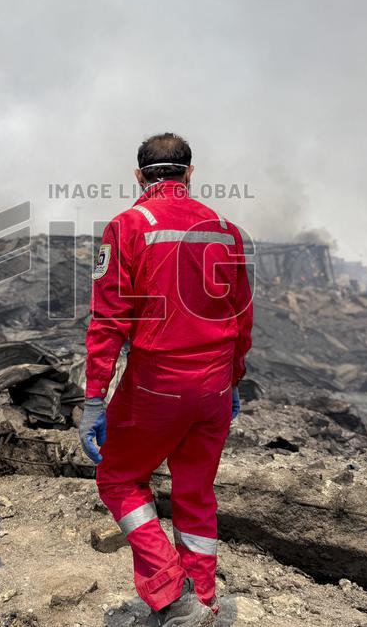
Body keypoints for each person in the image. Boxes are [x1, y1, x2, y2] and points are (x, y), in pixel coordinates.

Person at [80, 133, 253, 626]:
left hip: (158, 383)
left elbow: (108, 322)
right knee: (196, 493)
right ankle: (203, 599)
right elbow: (242, 317)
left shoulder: (127, 226)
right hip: (215, 384)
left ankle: (173, 595)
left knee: (118, 478)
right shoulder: (226, 230)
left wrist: (94, 400)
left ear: (140, 177)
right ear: (189, 174)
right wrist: (234, 380)